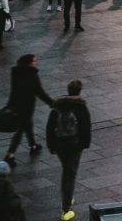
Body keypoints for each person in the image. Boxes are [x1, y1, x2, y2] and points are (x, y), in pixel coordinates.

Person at [46, 79, 92, 221]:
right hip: (74, 145)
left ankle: (68, 196)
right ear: (79, 91)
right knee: (69, 175)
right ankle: (66, 209)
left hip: (60, 145)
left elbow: (49, 127)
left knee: (66, 170)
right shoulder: (81, 107)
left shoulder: (57, 107)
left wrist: (51, 145)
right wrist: (84, 144)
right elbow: (86, 126)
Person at [4, 53, 54, 167]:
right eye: (34, 61)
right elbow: (40, 92)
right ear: (29, 63)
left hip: (16, 105)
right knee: (20, 130)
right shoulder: (32, 75)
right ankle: (9, 154)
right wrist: (52, 103)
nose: (36, 63)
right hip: (27, 106)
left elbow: (14, 90)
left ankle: (33, 145)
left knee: (27, 125)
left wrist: (9, 105)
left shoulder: (16, 72)